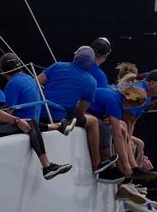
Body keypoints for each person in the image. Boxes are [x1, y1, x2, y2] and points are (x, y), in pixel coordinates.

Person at [0, 66, 71, 180]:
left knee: (26, 123)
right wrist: (16, 120)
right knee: (30, 122)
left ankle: (56, 126)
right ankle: (47, 166)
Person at [37, 46, 111, 176]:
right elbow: (82, 110)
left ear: (76, 57)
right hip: (59, 118)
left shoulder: (57, 66)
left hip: (41, 113)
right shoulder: (91, 81)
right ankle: (97, 163)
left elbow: (36, 83)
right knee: (93, 122)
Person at [88, 76, 152, 183]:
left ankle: (132, 167)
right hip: (84, 110)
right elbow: (117, 136)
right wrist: (126, 167)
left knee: (123, 127)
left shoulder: (117, 96)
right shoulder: (115, 102)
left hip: (95, 111)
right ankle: (109, 164)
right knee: (110, 129)